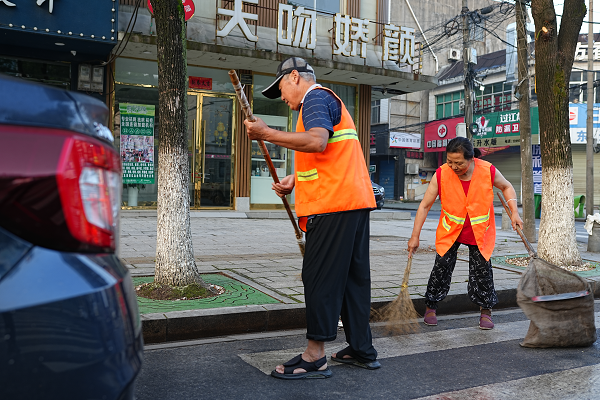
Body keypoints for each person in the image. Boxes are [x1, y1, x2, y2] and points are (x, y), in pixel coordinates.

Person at [244, 57, 380, 379]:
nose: (286, 102)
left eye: (282, 91)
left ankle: (315, 355)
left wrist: (267, 132)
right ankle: (361, 348)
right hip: (353, 202)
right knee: (351, 280)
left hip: (333, 206)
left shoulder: (314, 98)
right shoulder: (328, 101)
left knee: (318, 277)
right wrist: (296, 178)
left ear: (295, 77)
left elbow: (317, 141)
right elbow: (329, 154)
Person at [407, 137, 523, 330]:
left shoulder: (487, 170)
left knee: (482, 272)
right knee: (441, 268)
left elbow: (507, 187)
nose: (453, 166)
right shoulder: (441, 173)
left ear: (471, 159)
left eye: (458, 163)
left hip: (479, 231)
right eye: (450, 161)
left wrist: (515, 213)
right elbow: (425, 205)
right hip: (450, 230)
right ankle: (431, 307)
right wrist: (415, 236)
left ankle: (485, 312)